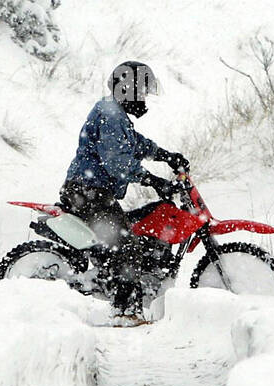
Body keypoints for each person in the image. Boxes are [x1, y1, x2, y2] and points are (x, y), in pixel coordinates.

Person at [60, 60, 188, 323]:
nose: (143, 100)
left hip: (93, 192)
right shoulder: (110, 115)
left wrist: (165, 156)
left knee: (135, 228)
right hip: (88, 192)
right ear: (128, 90)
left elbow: (134, 144)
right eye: (141, 93)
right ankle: (125, 311)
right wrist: (154, 181)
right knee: (127, 245)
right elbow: (118, 162)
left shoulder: (115, 115)